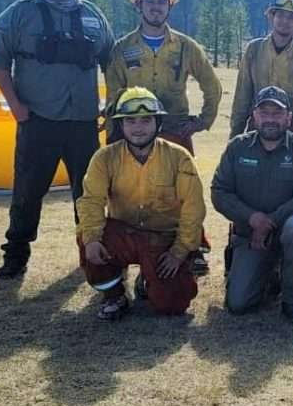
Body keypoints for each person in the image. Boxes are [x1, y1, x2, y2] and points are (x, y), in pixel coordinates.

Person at [0, 0, 113, 279]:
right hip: (38, 120)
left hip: (83, 123)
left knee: (88, 192)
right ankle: (16, 254)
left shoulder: (93, 15)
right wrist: (17, 107)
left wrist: (110, 105)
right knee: (27, 192)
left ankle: (91, 250)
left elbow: (111, 62)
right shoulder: (18, 14)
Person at [106, 0, 222, 275]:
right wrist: (114, 134)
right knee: (129, 192)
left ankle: (192, 247)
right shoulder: (121, 49)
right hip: (132, 132)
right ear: (138, 6)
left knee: (184, 192)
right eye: (149, 2)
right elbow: (113, 93)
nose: (155, 7)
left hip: (175, 130)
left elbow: (212, 86)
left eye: (161, 2)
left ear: (169, 6)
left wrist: (201, 122)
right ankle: (130, 247)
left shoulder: (186, 47)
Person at [75, 88, 206, 320]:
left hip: (164, 239)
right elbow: (91, 201)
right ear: (120, 125)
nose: (138, 127)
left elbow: (193, 208)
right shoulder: (104, 158)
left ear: (158, 123)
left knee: (172, 305)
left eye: (146, 120)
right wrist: (93, 239)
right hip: (122, 234)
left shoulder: (179, 157)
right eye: (130, 120)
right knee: (87, 239)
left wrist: (179, 251)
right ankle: (115, 295)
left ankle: (149, 279)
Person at [211, 86, 293, 322]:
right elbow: (219, 192)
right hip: (250, 236)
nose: (270, 119)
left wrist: (268, 222)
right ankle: (269, 274)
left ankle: (292, 301)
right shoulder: (236, 148)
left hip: (286, 235)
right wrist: (252, 219)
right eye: (264, 112)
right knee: (238, 304)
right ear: (254, 116)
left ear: (289, 118)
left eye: (277, 113)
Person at [229, 0, 293, 143]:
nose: (285, 21)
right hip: (257, 126)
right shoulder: (254, 49)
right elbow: (242, 94)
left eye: (291, 18)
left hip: (290, 129)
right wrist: (235, 134)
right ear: (272, 17)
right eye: (281, 15)